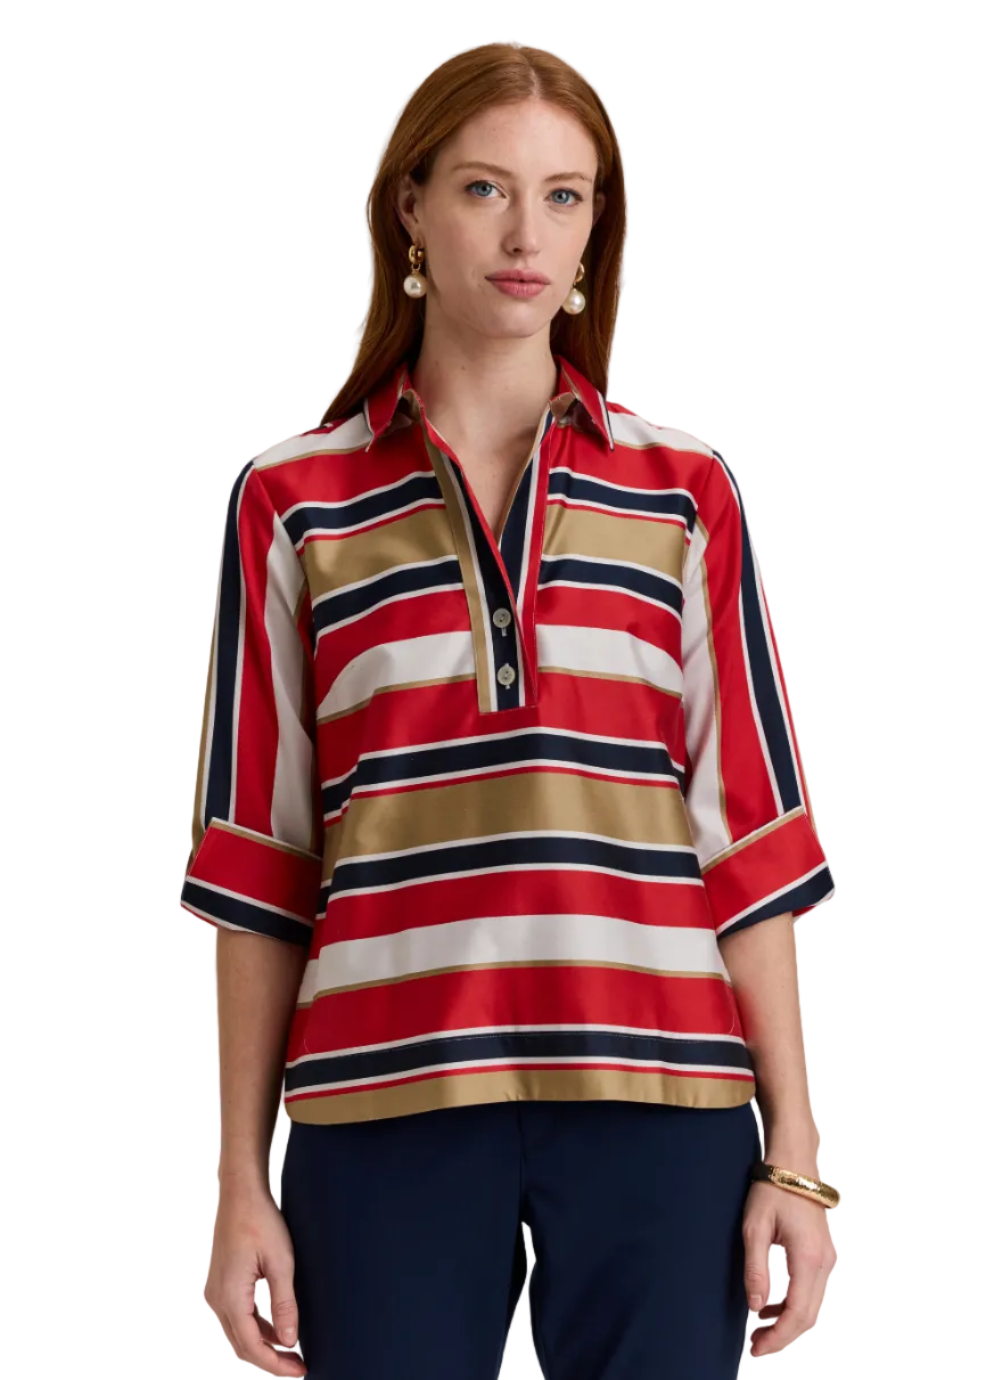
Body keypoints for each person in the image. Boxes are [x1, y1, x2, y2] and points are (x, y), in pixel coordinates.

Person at [181, 41, 840, 1380]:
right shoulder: (291, 503)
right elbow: (262, 866)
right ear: (410, 209)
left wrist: (797, 1155)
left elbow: (748, 846)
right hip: (384, 1109)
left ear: (597, 229)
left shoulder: (684, 492)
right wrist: (240, 1180)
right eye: (485, 188)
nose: (525, 234)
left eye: (563, 195)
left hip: (663, 1104)